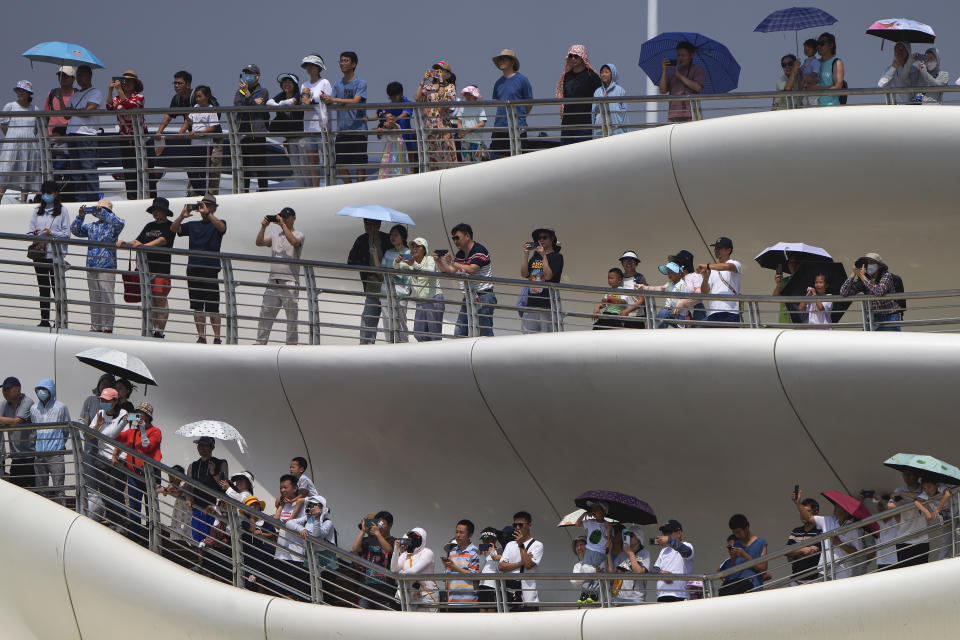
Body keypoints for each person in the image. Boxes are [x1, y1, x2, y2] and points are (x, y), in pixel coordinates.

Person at [171, 195, 227, 343]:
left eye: (208, 205)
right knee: (197, 306)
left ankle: (217, 338)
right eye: (203, 205)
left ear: (214, 208)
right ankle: (202, 336)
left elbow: (222, 228)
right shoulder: (193, 225)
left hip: (210, 268)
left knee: (213, 306)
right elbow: (173, 229)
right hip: (193, 268)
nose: (205, 208)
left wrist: (208, 213)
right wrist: (182, 216)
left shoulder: (218, 223)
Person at [117, 197, 176, 338]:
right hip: (147, 269)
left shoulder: (171, 226)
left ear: (164, 212)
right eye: (154, 210)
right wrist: (125, 242)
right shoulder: (149, 226)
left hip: (161, 269)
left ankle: (160, 331)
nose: (155, 213)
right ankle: (154, 330)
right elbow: (138, 240)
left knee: (160, 299)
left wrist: (144, 246)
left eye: (158, 210)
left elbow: (162, 241)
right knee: (151, 299)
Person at [70, 199, 125, 333]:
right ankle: (95, 327)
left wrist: (103, 214)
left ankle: (107, 328)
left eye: (102, 209)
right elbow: (75, 230)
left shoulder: (113, 226)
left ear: (108, 211)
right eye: (97, 209)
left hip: (107, 266)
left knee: (107, 297)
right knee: (94, 298)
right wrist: (81, 216)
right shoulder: (92, 226)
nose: (98, 211)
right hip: (91, 265)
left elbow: (120, 222)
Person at [435, 223, 496, 337]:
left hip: (483, 296)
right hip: (468, 297)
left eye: (457, 237)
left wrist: (453, 262)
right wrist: (439, 261)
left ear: (467, 236)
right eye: (453, 238)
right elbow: (450, 270)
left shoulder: (479, 250)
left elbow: (472, 269)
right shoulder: (460, 253)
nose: (455, 241)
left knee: (485, 332)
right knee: (460, 331)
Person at [113, 401, 162, 542]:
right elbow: (115, 437)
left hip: (149, 476)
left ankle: (152, 538)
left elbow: (147, 447)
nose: (139, 416)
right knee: (134, 506)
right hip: (134, 474)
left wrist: (142, 429)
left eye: (142, 414)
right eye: (137, 413)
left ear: (148, 417)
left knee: (150, 507)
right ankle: (136, 536)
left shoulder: (156, 431)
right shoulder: (131, 432)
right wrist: (123, 422)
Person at [254, 207, 304, 345]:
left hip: (290, 282)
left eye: (286, 217)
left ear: (293, 218)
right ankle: (260, 343)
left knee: (291, 318)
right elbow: (259, 242)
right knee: (265, 315)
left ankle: (291, 345)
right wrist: (263, 227)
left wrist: (282, 225)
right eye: (282, 217)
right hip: (272, 282)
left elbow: (294, 242)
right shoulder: (275, 235)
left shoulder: (299, 234)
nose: (284, 219)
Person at [105, 70, 154, 201]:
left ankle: (149, 198)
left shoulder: (139, 97)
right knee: (129, 169)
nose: (126, 84)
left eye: (129, 81)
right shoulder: (116, 98)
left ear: (135, 84)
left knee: (145, 168)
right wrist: (110, 90)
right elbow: (109, 107)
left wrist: (119, 90)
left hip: (140, 136)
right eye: (124, 81)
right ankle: (132, 198)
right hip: (125, 138)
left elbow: (129, 105)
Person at [320, 52, 368, 184]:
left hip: (358, 130)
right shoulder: (337, 84)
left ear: (354, 64)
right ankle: (350, 188)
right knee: (340, 164)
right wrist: (325, 99)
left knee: (360, 164)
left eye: (346, 61)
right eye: (341, 61)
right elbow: (331, 101)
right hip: (342, 130)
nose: (342, 63)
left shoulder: (361, 83)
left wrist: (333, 99)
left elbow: (356, 100)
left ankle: (360, 189)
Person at [28, 181, 70, 327]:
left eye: (49, 192)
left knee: (57, 288)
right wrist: (35, 233)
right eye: (44, 192)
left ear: (56, 194)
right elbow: (29, 232)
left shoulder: (63, 211)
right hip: (40, 254)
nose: (46, 195)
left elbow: (66, 234)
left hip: (56, 255)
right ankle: (44, 320)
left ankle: (60, 320)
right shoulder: (36, 210)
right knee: (43, 288)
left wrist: (51, 232)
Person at [792, 490, 861, 579]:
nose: (834, 507)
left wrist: (839, 543)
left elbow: (857, 552)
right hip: (824, 571)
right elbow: (808, 518)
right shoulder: (828, 520)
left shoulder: (853, 529)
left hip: (843, 573)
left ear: (845, 510)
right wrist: (798, 504)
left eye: (837, 506)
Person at [86, 387, 128, 528]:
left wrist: (115, 454)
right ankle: (111, 519)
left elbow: (123, 438)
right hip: (102, 458)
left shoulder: (123, 414)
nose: (103, 403)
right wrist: (98, 425)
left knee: (116, 491)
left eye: (106, 400)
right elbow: (90, 435)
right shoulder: (100, 413)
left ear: (115, 401)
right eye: (101, 400)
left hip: (118, 460)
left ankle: (122, 522)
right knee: (104, 491)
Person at [346, 218, 391, 344]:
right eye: (367, 224)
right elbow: (351, 260)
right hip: (372, 288)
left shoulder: (387, 239)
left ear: (379, 225)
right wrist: (368, 272)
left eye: (372, 224)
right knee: (367, 321)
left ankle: (394, 348)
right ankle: (366, 348)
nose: (369, 227)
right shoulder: (361, 240)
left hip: (388, 288)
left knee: (390, 322)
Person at [65, 65, 103, 201]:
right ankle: (80, 200)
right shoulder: (75, 95)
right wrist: (58, 98)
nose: (79, 79)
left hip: (86, 134)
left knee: (88, 169)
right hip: (72, 134)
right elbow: (66, 115)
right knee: (76, 171)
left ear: (90, 76)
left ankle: (93, 200)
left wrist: (75, 110)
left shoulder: (95, 92)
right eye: (78, 76)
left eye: (82, 75)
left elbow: (89, 111)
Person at [30, 378, 70, 505]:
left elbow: (66, 429)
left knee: (58, 486)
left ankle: (61, 514)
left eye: (44, 389)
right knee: (41, 489)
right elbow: (34, 430)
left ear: (51, 391)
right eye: (39, 389)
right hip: (39, 453)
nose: (41, 392)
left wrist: (59, 444)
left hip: (55, 453)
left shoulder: (61, 407)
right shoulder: (34, 408)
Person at [396, 237, 444, 341]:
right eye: (412, 246)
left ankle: (435, 356)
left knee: (434, 335)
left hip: (434, 299)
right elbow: (396, 268)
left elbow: (430, 271)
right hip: (420, 301)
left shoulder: (430, 259)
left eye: (417, 246)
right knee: (418, 333)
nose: (414, 248)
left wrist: (413, 264)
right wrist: (397, 261)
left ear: (424, 249)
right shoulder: (410, 263)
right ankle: (428, 355)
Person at [0, 81, 40, 203]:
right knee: (6, 171)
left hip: (29, 145)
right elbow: (3, 124)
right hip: (12, 144)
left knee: (27, 172)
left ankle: (23, 202)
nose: (20, 93)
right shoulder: (10, 106)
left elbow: (36, 128)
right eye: (19, 91)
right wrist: (12, 137)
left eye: (23, 91)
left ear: (29, 93)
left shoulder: (35, 108)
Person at [839, 252, 901, 331]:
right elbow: (843, 292)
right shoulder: (864, 279)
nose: (869, 265)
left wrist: (862, 276)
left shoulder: (886, 276)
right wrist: (853, 274)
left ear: (879, 265)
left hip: (889, 316)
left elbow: (879, 291)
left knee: (887, 342)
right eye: (867, 263)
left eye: (872, 263)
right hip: (872, 317)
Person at [233, 64, 271, 192]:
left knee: (261, 166)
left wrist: (248, 96)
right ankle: (244, 192)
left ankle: (263, 192)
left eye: (250, 73)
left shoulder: (263, 91)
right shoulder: (239, 92)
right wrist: (252, 100)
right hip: (244, 134)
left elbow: (255, 108)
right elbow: (239, 106)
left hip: (258, 134)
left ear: (257, 76)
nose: (246, 76)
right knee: (245, 167)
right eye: (245, 73)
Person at [490, 49, 533, 158]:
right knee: (498, 160)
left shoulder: (523, 80)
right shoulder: (498, 83)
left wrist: (521, 117)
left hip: (517, 126)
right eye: (500, 59)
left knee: (518, 159)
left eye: (504, 59)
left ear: (512, 62)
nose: (501, 61)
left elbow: (529, 102)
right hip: (499, 127)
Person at [415, 61, 458, 170]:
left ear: (447, 73)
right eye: (435, 70)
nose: (437, 72)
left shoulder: (450, 87)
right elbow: (417, 98)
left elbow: (444, 103)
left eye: (440, 70)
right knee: (433, 161)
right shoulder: (428, 87)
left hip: (443, 127)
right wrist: (422, 82)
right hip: (430, 128)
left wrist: (441, 82)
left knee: (448, 161)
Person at [351, 511, 398, 610]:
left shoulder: (393, 541)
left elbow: (389, 550)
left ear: (390, 526)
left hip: (385, 591)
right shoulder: (369, 540)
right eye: (378, 523)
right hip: (366, 590)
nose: (379, 527)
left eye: (383, 524)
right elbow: (355, 549)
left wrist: (377, 533)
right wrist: (363, 531)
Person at [267, 73, 306, 188]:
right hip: (289, 137)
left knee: (305, 166)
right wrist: (279, 105)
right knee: (295, 167)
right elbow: (269, 102)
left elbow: (290, 102)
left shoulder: (299, 95)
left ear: (295, 84)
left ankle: (308, 189)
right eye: (284, 82)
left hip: (302, 137)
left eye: (289, 82)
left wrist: (279, 105)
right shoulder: (282, 95)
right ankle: (301, 189)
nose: (286, 84)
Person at [499, 510, 544, 612]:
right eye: (515, 525)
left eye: (520, 525)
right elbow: (501, 566)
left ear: (529, 526)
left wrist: (521, 545)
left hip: (529, 598)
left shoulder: (537, 545)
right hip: (512, 597)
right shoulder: (510, 544)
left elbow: (528, 565)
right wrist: (521, 563)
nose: (517, 528)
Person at [520, 228, 563, 333]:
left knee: (547, 336)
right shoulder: (535, 257)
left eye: (544, 237)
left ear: (552, 239)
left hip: (548, 303)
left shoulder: (557, 257)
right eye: (539, 238)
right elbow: (524, 274)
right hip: (531, 302)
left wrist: (544, 255)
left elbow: (548, 276)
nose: (541, 240)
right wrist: (526, 254)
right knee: (528, 335)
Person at [185, 436, 228, 543]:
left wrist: (214, 473)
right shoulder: (193, 466)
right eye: (200, 445)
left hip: (214, 510)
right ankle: (200, 559)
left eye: (205, 445)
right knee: (197, 540)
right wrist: (188, 498)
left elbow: (225, 486)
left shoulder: (221, 463)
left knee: (211, 540)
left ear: (212, 447)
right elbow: (188, 486)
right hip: (198, 508)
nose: (202, 448)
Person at [557, 45, 601, 145]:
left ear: (582, 57)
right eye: (571, 56)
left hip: (584, 124)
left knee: (583, 156)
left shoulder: (592, 77)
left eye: (576, 56)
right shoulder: (567, 76)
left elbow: (599, 98)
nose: (573, 58)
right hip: (567, 124)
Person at [299, 55, 333, 187]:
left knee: (326, 158)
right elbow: (303, 101)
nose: (308, 68)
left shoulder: (325, 82)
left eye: (311, 65)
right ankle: (316, 187)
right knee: (313, 160)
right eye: (307, 66)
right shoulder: (304, 84)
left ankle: (329, 184)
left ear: (318, 68)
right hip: (308, 126)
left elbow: (327, 99)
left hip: (321, 126)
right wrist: (306, 98)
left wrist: (311, 100)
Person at [274, 473, 309, 600]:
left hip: (296, 554)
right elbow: (277, 522)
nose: (283, 490)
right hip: (281, 552)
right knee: (282, 592)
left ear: (295, 488)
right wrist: (281, 505)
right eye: (281, 488)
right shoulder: (284, 504)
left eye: (285, 487)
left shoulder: (303, 503)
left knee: (297, 592)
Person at [180, 86, 220, 196]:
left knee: (203, 171)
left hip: (205, 145)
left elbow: (213, 127)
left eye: (199, 96)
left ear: (207, 96)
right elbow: (190, 122)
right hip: (194, 144)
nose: (197, 99)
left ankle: (204, 194)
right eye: (196, 96)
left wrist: (198, 133)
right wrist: (184, 124)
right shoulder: (195, 107)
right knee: (191, 169)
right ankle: (199, 191)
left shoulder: (211, 109)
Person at [696, 237, 742, 325]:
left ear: (728, 250)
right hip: (713, 313)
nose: (716, 250)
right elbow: (704, 292)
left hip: (730, 313)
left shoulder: (736, 264)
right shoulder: (711, 270)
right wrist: (705, 278)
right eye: (715, 248)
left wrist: (707, 266)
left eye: (719, 248)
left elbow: (727, 267)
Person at [391, 527, 439, 611]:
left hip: (427, 595)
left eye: (416, 537)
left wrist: (401, 572)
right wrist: (396, 550)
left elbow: (413, 571)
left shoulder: (427, 552)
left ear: (422, 539)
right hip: (411, 596)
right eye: (410, 537)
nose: (412, 539)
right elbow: (394, 569)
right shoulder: (405, 555)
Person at [887, 469, 928, 568]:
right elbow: (890, 506)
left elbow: (924, 498)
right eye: (904, 474)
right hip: (903, 539)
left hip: (921, 539)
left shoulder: (924, 488)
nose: (906, 477)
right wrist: (899, 503)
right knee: (904, 573)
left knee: (921, 572)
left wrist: (903, 494)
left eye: (909, 474)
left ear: (917, 475)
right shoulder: (898, 490)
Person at [719, 514, 767, 596]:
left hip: (751, 587)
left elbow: (763, 569)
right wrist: (733, 558)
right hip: (734, 586)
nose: (737, 535)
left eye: (738, 532)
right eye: (734, 533)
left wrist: (745, 555)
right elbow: (732, 570)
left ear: (747, 528)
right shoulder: (736, 543)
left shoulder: (760, 543)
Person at [649, 520, 695, 602]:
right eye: (664, 533)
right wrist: (661, 573)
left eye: (669, 532)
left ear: (679, 533)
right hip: (662, 595)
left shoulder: (687, 545)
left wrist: (669, 540)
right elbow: (654, 570)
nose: (666, 535)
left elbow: (687, 552)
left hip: (680, 595)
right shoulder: (663, 550)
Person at [0, 377, 34, 487]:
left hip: (31, 456)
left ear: (18, 389)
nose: (5, 392)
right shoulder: (5, 404)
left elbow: (17, 421)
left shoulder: (27, 402)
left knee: (33, 491)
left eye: (8, 389)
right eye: (4, 389)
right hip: (16, 456)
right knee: (17, 491)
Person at [638, 261, 695, 328]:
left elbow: (685, 299)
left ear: (679, 273)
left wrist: (678, 307)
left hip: (681, 315)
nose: (669, 275)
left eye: (671, 272)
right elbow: (660, 288)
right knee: (662, 313)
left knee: (663, 313)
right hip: (671, 313)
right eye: (668, 272)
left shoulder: (682, 285)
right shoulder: (670, 284)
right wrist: (644, 287)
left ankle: (657, 330)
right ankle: (657, 329)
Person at [659, 42, 705, 123]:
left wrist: (680, 76)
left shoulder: (698, 70)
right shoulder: (673, 74)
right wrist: (664, 71)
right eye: (678, 55)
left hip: (691, 115)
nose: (680, 58)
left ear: (691, 56)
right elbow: (662, 91)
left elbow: (698, 87)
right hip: (673, 116)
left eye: (683, 55)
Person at [380, 224, 411, 343]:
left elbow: (406, 273)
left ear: (402, 237)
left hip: (400, 292)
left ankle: (402, 344)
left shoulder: (407, 252)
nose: (392, 237)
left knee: (400, 321)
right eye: (391, 235)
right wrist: (374, 253)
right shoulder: (388, 252)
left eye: (396, 235)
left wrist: (393, 273)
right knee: (387, 321)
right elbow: (381, 269)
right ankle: (390, 343)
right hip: (385, 291)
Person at [442, 519, 480, 610]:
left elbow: (474, 576)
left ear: (470, 535)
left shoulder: (475, 552)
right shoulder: (452, 552)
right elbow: (448, 578)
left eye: (461, 533)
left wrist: (454, 567)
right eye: (456, 532)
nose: (458, 535)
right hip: (452, 602)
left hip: (469, 602)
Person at [785, 497, 823, 584]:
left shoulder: (820, 531)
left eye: (807, 511)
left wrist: (794, 552)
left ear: (816, 513)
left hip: (814, 579)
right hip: (795, 579)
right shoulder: (796, 531)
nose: (802, 514)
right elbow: (786, 551)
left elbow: (812, 551)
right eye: (801, 511)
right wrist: (803, 550)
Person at [914, 478, 952, 561]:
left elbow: (947, 494)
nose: (927, 490)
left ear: (936, 484)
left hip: (956, 512)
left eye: (929, 487)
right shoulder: (926, 493)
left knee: (957, 531)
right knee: (946, 539)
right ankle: (943, 559)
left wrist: (937, 510)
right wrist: (927, 512)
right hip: (946, 516)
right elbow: (916, 502)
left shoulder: (940, 487)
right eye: (924, 488)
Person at [154, 70, 193, 146]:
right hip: (194, 135)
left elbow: (191, 116)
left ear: (188, 85)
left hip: (209, 134)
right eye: (175, 83)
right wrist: (159, 132)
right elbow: (169, 116)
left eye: (179, 83)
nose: (176, 85)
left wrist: (181, 132)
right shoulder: (177, 99)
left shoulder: (196, 97)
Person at [384, 82, 417, 171]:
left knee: (410, 154)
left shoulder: (407, 103)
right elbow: (382, 112)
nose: (393, 99)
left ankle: (412, 172)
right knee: (394, 157)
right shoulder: (389, 105)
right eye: (391, 97)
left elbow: (405, 113)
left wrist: (395, 118)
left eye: (395, 96)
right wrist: (386, 115)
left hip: (406, 135)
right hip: (394, 139)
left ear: (401, 94)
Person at [613, 528, 651, 604]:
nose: (628, 537)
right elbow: (611, 572)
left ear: (638, 538)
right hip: (619, 597)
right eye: (626, 535)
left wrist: (630, 553)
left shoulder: (644, 553)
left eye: (631, 535)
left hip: (636, 598)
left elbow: (639, 571)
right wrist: (609, 551)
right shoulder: (622, 554)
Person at [669, 249, 706, 324]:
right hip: (681, 310)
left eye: (676, 264)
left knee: (698, 331)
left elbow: (699, 294)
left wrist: (683, 302)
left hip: (696, 309)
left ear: (683, 265)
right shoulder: (678, 278)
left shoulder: (695, 276)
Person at [575, 501, 613, 574]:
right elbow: (577, 524)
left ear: (604, 511)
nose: (594, 511)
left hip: (600, 552)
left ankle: (594, 584)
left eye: (597, 509)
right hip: (589, 550)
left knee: (594, 571)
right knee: (586, 570)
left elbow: (610, 541)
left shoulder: (608, 524)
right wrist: (584, 514)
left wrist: (608, 531)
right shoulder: (590, 522)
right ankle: (587, 585)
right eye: (593, 509)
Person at [158, 464, 192, 543]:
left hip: (186, 511)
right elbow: (164, 493)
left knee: (186, 527)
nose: (171, 478)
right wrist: (166, 490)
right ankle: (177, 540)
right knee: (177, 525)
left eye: (173, 476)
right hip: (179, 510)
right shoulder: (174, 485)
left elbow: (177, 494)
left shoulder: (184, 483)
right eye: (169, 476)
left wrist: (165, 490)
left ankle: (186, 542)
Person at [592, 63, 628, 136]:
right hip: (601, 130)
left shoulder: (620, 91)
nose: (604, 74)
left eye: (606, 72)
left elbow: (624, 113)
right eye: (602, 72)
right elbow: (594, 112)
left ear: (613, 74)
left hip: (617, 129)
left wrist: (626, 132)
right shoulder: (597, 92)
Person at [457, 85, 488, 162]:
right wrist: (460, 131)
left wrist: (468, 130)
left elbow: (482, 123)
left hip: (477, 141)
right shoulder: (462, 107)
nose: (467, 96)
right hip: (465, 140)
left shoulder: (479, 107)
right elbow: (459, 121)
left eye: (469, 94)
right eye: (466, 94)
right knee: (465, 162)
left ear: (475, 96)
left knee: (477, 162)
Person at [374, 108, 407, 178]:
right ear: (385, 122)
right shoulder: (384, 128)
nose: (391, 119)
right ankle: (387, 176)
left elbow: (398, 130)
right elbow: (379, 137)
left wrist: (392, 125)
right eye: (389, 118)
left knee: (398, 162)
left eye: (392, 116)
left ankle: (399, 176)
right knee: (388, 161)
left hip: (398, 146)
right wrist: (379, 131)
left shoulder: (397, 125)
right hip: (389, 147)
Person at [618, 251, 647, 328]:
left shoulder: (639, 278)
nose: (628, 262)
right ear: (622, 263)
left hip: (636, 317)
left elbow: (642, 300)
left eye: (632, 260)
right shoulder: (619, 278)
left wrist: (627, 311)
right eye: (626, 260)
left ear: (636, 263)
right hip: (621, 315)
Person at [45, 66, 76, 138]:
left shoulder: (77, 94)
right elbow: (45, 116)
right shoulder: (51, 94)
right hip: (53, 136)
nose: (63, 78)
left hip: (71, 135)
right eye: (60, 75)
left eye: (66, 76)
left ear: (73, 79)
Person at [477, 527, 503, 612]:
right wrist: (480, 556)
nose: (485, 543)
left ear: (494, 540)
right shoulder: (484, 554)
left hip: (493, 585)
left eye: (487, 541)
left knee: (492, 608)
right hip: (482, 583)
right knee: (482, 608)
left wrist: (493, 552)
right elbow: (480, 569)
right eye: (483, 541)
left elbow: (499, 568)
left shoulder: (500, 550)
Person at [772, 256, 803, 325]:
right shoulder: (784, 281)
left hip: (799, 318)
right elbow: (775, 297)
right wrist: (778, 284)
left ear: (800, 265)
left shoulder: (804, 281)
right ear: (788, 265)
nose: (793, 265)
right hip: (785, 318)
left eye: (796, 263)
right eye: (791, 263)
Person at [816, 33, 845, 107]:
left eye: (822, 43)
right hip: (815, 107)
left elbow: (838, 87)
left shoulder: (836, 62)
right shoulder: (815, 63)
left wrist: (815, 89)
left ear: (831, 45)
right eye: (817, 44)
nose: (818, 46)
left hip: (831, 107)